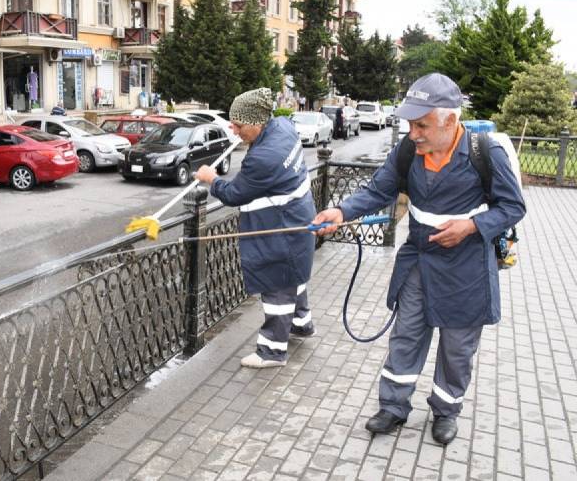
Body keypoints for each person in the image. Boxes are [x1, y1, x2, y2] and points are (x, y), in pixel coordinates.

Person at [312, 73, 526, 445]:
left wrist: (473, 226)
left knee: (457, 348)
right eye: (411, 123)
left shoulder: (484, 152)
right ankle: (393, 407)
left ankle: (446, 410)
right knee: (405, 336)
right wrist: (342, 212)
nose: (413, 133)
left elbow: (512, 207)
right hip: (419, 261)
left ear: (449, 120)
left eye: (422, 124)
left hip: (467, 267)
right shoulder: (409, 151)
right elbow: (380, 188)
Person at [195, 88, 316, 369]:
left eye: (238, 125)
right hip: (298, 219)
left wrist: (211, 179)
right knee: (293, 276)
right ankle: (301, 324)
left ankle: (272, 351)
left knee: (277, 285)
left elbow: (234, 194)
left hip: (281, 229)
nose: (233, 129)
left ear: (256, 122)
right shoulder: (282, 127)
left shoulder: (263, 158)